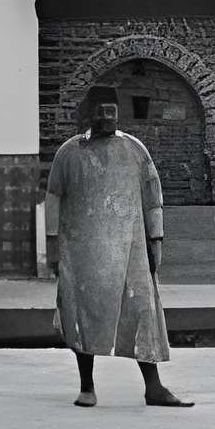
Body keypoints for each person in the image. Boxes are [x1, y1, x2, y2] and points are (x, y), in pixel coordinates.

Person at [43, 87, 191, 408]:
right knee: (81, 313)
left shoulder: (134, 150)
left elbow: (153, 198)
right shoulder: (70, 152)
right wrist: (52, 244)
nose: (105, 117)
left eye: (111, 111)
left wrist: (157, 240)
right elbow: (53, 196)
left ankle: (153, 387)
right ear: (88, 113)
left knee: (142, 313)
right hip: (83, 252)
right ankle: (87, 386)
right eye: (100, 111)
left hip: (131, 250)